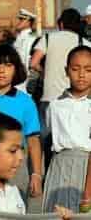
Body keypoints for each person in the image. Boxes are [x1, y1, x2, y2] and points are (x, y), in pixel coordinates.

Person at [0, 44, 42, 201]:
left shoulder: (25, 101)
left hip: (16, 168)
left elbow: (33, 140)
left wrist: (36, 174)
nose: (2, 71)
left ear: (16, 69)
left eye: (8, 65)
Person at [30, 8, 91, 170]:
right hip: (78, 98)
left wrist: (45, 74)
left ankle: (50, 175)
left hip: (49, 98)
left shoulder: (48, 38)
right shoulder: (84, 43)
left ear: (61, 23)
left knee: (50, 142)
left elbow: (33, 63)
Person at [42, 45, 91, 213]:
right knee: (56, 212)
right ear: (66, 70)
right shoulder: (55, 106)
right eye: (75, 69)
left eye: (88, 69)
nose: (82, 74)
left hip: (86, 167)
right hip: (59, 166)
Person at [13, 8, 38, 74]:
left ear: (28, 22)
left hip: (25, 75)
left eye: (22, 20)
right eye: (19, 19)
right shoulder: (19, 37)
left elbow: (27, 59)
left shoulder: (31, 38)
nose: (18, 22)